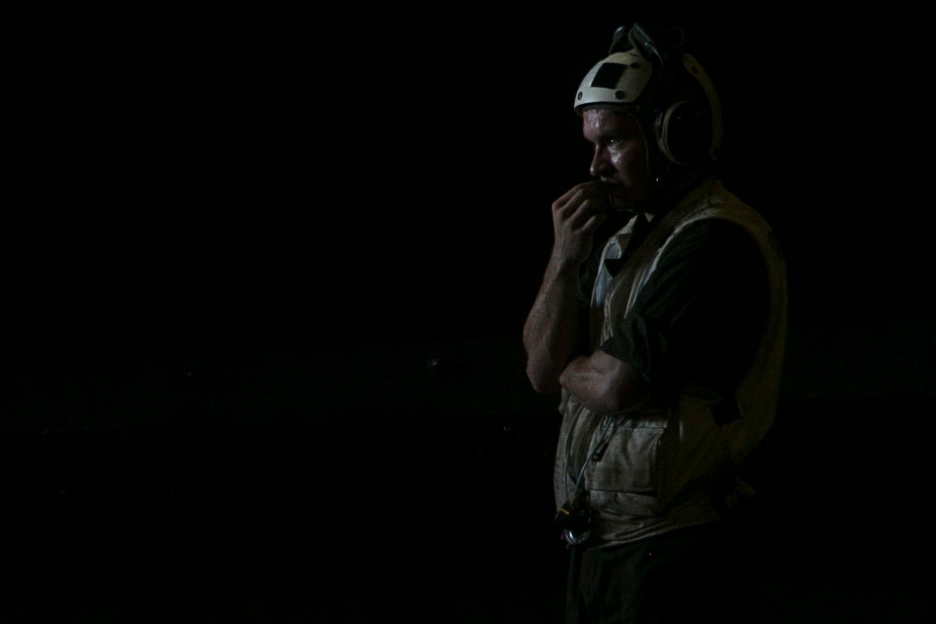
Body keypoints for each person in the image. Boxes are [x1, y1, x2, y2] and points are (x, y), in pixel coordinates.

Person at [522, 22, 788, 624]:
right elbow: (538, 373)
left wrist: (566, 361)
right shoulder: (626, 239)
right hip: (609, 552)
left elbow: (614, 384)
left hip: (676, 556)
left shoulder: (713, 240)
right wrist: (564, 258)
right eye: (591, 144)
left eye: (614, 142)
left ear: (676, 136)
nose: (596, 165)